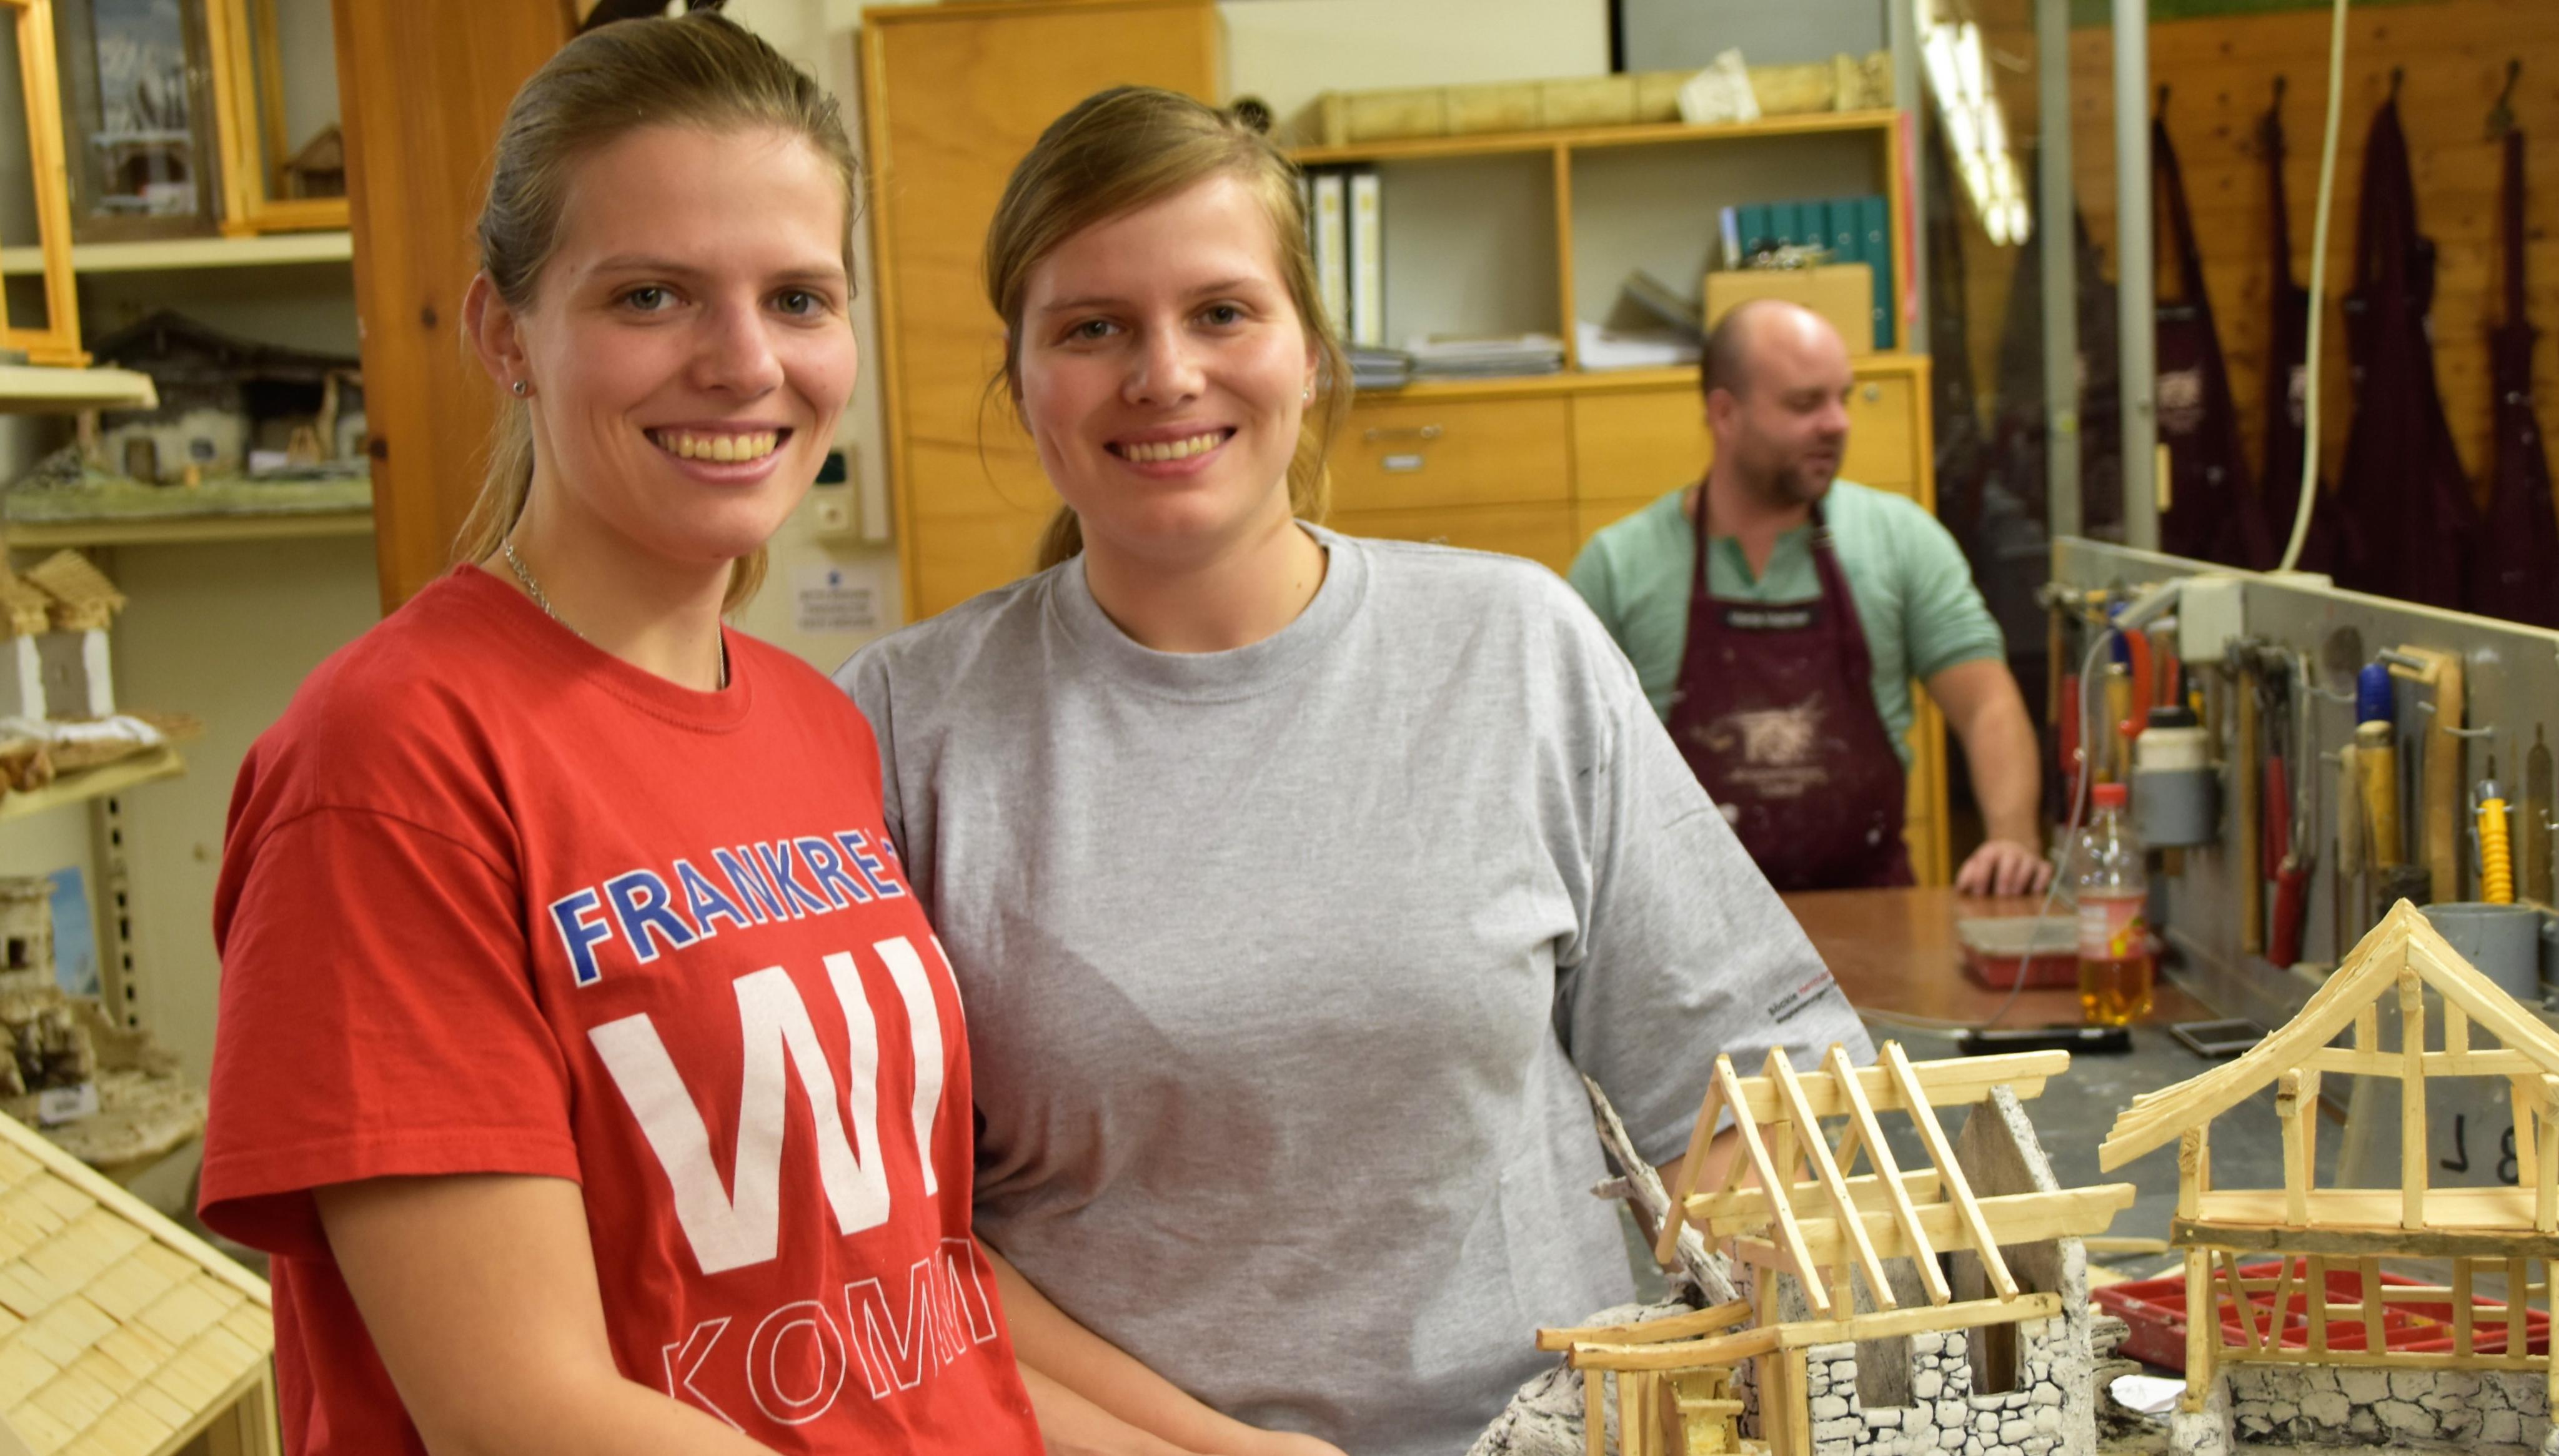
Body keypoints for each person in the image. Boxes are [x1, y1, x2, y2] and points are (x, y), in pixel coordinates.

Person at [838, 86, 1868, 1456]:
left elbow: (1744, 1097)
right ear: (1021, 380)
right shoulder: (903, 725)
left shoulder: (1514, 648)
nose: (1164, 374)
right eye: (1092, 328)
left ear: (1313, 357)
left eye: (1221, 311)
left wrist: (1776, 1364)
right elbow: (883, 1246)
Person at [196, 16, 1043, 1454]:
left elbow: (912, 1289)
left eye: (798, 297)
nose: (743, 362)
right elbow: (520, 1412)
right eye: (651, 296)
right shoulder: (393, 761)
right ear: (503, 335)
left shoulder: (815, 725)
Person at [1568, 300, 2053, 897]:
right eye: (1805, 403)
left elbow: (1986, 704)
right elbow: (1562, 761)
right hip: (1685, 922)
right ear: (1724, 413)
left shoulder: (1900, 540)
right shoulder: (1619, 566)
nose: (1837, 423)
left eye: (1842, 398)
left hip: (1871, 913)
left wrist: (2013, 838)